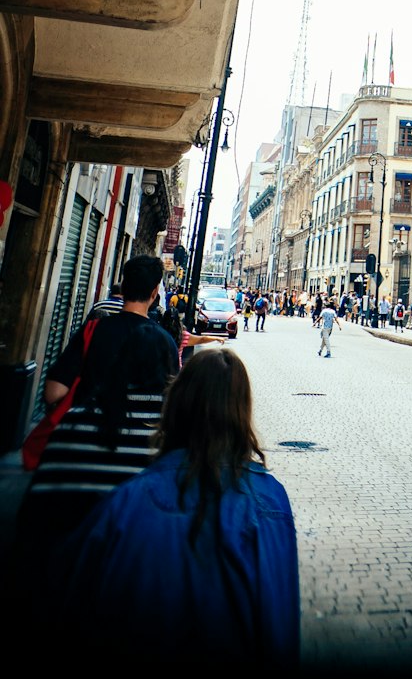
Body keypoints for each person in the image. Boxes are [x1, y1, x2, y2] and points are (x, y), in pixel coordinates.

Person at [59, 349, 299, 662]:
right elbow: (279, 624)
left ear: (176, 404)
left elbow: (73, 606)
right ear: (241, 412)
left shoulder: (123, 504)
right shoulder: (268, 503)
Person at [17, 254, 178, 558]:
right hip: (133, 521)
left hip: (79, 480)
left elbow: (53, 393)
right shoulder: (164, 342)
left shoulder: (94, 330)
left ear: (123, 286)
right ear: (155, 292)